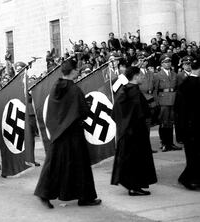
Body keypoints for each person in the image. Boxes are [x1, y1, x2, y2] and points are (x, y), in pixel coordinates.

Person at [34, 59, 101, 208]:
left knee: (54, 163)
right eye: (77, 69)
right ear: (73, 71)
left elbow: (54, 110)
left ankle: (44, 193)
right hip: (73, 132)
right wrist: (86, 105)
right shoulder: (74, 89)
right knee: (81, 164)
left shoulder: (55, 87)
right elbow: (83, 111)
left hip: (59, 132)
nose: (78, 71)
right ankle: (85, 197)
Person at [111, 66, 157, 196]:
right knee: (135, 160)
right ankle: (134, 187)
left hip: (128, 131)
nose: (143, 77)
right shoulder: (133, 92)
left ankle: (134, 185)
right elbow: (139, 113)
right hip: (135, 133)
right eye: (141, 75)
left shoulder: (124, 90)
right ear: (136, 76)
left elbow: (116, 112)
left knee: (131, 159)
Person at [175, 57, 200, 190]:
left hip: (187, 125)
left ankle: (191, 178)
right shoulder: (194, 84)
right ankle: (187, 178)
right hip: (193, 125)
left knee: (193, 153)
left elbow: (179, 108)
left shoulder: (185, 84)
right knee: (194, 154)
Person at [153, 55, 181, 152]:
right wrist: (157, 103)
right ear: (161, 64)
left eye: (169, 61)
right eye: (165, 62)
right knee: (163, 123)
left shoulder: (174, 74)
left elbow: (177, 88)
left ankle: (170, 143)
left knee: (171, 123)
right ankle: (164, 143)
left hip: (173, 100)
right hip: (163, 100)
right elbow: (155, 90)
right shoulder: (157, 75)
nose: (168, 63)